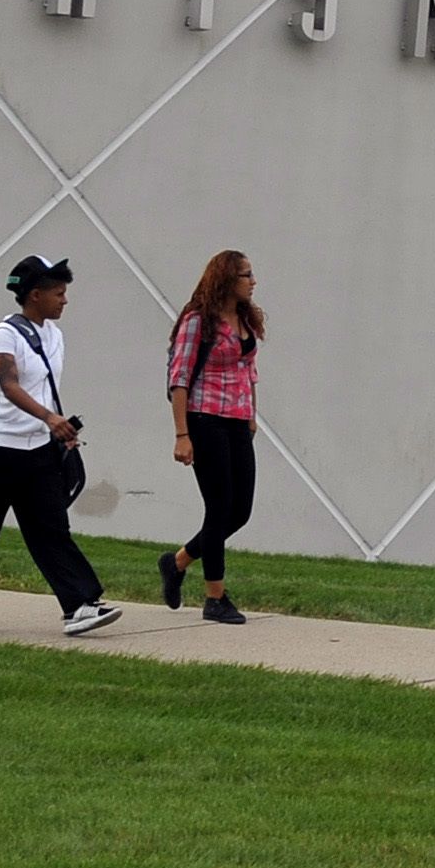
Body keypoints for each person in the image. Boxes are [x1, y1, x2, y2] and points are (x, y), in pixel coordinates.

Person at [0, 257, 120, 638]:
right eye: (58, 293)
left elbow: (44, 388)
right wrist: (48, 418)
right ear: (35, 295)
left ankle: (80, 606)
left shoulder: (54, 335)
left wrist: (60, 428)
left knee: (51, 528)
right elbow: (9, 386)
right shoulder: (4, 335)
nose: (65, 300)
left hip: (38, 449)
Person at [159, 249, 263, 624]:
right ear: (225, 280)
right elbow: (180, 378)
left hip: (237, 421)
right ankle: (215, 598)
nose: (253, 282)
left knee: (241, 511)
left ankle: (178, 561)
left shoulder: (245, 319)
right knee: (219, 508)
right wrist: (182, 434)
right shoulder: (197, 322)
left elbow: (249, 371)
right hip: (205, 420)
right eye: (245, 276)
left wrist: (251, 414)